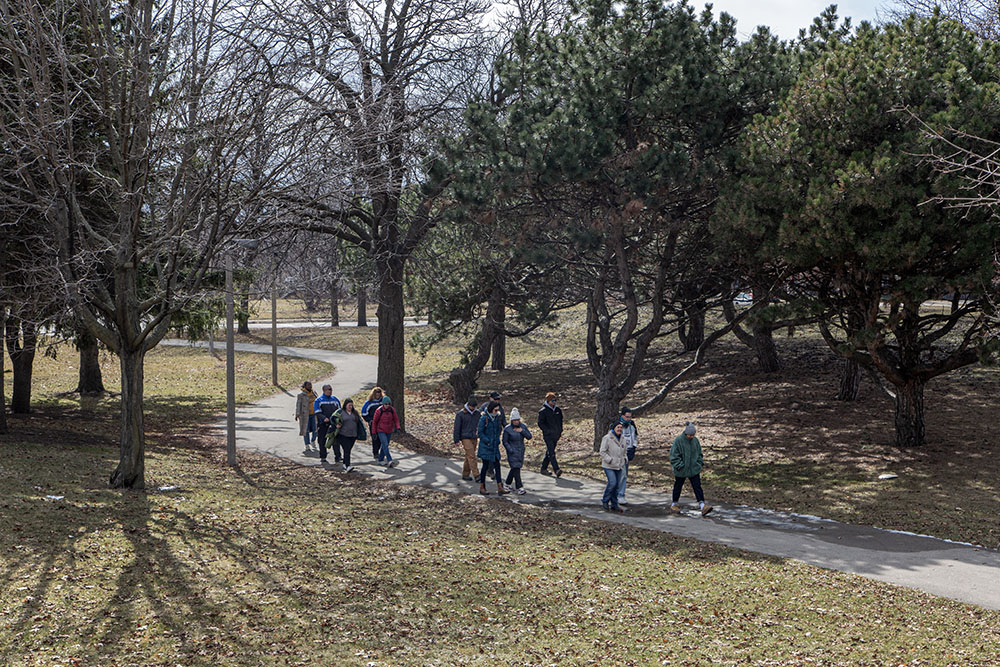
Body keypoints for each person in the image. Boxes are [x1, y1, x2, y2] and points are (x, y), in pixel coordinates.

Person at [669, 422, 713, 516]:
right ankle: (674, 503)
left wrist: (699, 463)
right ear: (686, 433)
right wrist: (679, 465)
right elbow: (673, 455)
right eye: (690, 435)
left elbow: (699, 454)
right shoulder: (678, 441)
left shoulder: (695, 441)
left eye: (693, 435)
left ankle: (702, 505)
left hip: (694, 469)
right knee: (678, 486)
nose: (691, 436)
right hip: (681, 470)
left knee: (697, 486)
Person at [477, 401, 508, 496]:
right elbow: (480, 432)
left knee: (497, 466)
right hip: (486, 446)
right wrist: (488, 441)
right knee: (485, 466)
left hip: (494, 446)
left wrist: (497, 440)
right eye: (496, 410)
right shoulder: (484, 418)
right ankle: (482, 487)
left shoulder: (496, 418)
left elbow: (498, 430)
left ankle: (500, 487)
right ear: (491, 409)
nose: (497, 411)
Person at [328, 398, 366, 472]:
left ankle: (345, 463)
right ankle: (348, 465)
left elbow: (359, 422)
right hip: (343, 434)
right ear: (345, 405)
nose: (350, 407)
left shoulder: (355, 413)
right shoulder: (340, 412)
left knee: (348, 450)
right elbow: (332, 418)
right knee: (346, 449)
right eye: (349, 405)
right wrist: (336, 424)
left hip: (353, 435)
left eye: (351, 405)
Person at [502, 408, 531, 495]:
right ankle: (520, 487)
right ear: (511, 420)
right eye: (514, 420)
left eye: (517, 420)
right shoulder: (507, 429)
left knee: (515, 468)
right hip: (512, 451)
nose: (516, 422)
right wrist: (510, 449)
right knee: (516, 468)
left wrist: (522, 431)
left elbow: (529, 436)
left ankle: (507, 483)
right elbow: (505, 441)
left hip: (520, 450)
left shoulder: (523, 427)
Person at [600, 422, 627, 513]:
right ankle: (605, 500)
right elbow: (602, 452)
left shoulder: (623, 439)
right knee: (612, 483)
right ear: (614, 428)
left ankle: (614, 504)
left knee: (617, 486)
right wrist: (609, 460)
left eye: (621, 427)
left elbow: (624, 451)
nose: (619, 429)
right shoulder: (607, 438)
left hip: (619, 466)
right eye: (618, 427)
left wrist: (625, 459)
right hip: (609, 465)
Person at [453, 396, 481, 482]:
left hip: (474, 436)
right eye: (472, 407)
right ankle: (477, 475)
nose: (473, 409)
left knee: (469, 456)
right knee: (472, 456)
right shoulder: (461, 414)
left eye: (474, 407)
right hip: (465, 437)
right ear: (468, 405)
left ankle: (465, 474)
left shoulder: (477, 413)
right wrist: (456, 440)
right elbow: (457, 427)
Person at [537, 391, 563, 477]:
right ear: (548, 401)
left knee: (549, 452)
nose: (554, 402)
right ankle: (557, 469)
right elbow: (540, 423)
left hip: (556, 435)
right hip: (548, 435)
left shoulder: (558, 410)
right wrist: (547, 431)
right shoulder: (543, 411)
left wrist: (560, 431)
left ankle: (543, 468)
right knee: (551, 452)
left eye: (555, 400)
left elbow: (560, 421)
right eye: (552, 401)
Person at [313, 385, 341, 464]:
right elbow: (317, 412)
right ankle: (323, 456)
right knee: (322, 440)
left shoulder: (335, 400)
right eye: (328, 389)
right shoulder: (319, 400)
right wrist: (324, 418)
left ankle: (338, 456)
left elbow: (339, 410)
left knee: (335, 440)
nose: (330, 391)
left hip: (334, 423)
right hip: (323, 424)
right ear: (324, 390)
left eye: (331, 389)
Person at [617, 407, 638, 505]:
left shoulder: (632, 425)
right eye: (627, 417)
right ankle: (617, 494)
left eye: (630, 417)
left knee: (624, 475)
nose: (629, 419)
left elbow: (634, 437)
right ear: (622, 416)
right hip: (618, 453)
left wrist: (633, 447)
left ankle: (621, 494)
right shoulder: (617, 425)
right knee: (621, 474)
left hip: (628, 452)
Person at [371, 395, 400, 468]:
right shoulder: (379, 410)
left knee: (385, 446)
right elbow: (374, 422)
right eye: (386, 404)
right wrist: (374, 432)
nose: (387, 405)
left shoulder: (392, 410)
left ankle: (381, 459)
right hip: (381, 430)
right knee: (385, 444)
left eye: (389, 404)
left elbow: (396, 419)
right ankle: (389, 459)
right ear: (383, 404)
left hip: (389, 430)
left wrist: (398, 427)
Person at [361, 387, 385, 460]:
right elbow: (364, 412)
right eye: (376, 395)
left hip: (382, 423)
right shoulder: (369, 403)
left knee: (381, 438)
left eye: (379, 395)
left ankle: (380, 452)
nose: (378, 396)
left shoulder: (383, 401)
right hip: (373, 423)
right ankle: (375, 452)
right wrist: (369, 420)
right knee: (375, 438)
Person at [295, 381, 317, 448]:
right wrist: (297, 414)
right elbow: (298, 405)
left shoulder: (314, 393)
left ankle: (313, 440)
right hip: (305, 415)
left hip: (314, 414)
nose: (310, 386)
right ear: (305, 386)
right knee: (306, 430)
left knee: (315, 429)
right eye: (308, 385)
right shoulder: (301, 395)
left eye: (310, 385)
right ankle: (307, 444)